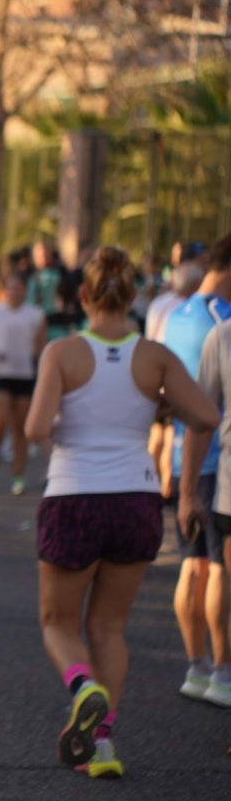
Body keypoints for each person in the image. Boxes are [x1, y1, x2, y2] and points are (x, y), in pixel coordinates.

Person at [30, 248, 216, 778]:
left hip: (73, 496)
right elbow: (205, 414)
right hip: (136, 497)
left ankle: (82, 686)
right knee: (110, 626)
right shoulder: (153, 356)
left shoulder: (63, 353)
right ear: (134, 296)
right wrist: (160, 404)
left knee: (57, 622)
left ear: (83, 296)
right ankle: (103, 747)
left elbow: (36, 429)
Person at [166, 234, 231, 703]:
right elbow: (208, 402)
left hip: (183, 451)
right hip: (211, 459)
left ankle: (196, 668)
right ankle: (220, 671)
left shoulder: (173, 314)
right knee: (216, 569)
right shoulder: (219, 320)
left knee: (192, 566)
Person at [0, 273, 47, 495]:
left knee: (21, 428)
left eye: (19, 288)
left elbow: (41, 347)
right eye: (10, 287)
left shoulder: (36, 315)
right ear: (3, 290)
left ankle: (18, 475)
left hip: (25, 375)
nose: (14, 292)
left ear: (25, 291)